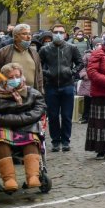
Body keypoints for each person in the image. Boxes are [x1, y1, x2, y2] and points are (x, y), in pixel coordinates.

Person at [0, 64, 46, 192]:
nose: (14, 79)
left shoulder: (33, 93)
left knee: (32, 139)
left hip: (26, 127)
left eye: (17, 76)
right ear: (4, 79)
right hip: (3, 128)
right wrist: (16, 120)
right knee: (0, 140)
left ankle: (33, 177)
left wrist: (15, 120)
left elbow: (38, 111)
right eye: (10, 77)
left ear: (21, 76)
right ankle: (9, 180)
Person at [39, 24, 83, 153]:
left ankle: (65, 141)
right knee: (52, 116)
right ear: (52, 33)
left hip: (67, 85)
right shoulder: (44, 49)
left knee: (66, 115)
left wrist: (72, 72)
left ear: (65, 34)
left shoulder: (72, 48)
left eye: (61, 32)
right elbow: (38, 66)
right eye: (56, 32)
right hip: (51, 86)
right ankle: (55, 141)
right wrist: (47, 73)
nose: (58, 34)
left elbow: (80, 63)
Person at [0, 23, 43, 92]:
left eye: (29, 34)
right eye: (24, 34)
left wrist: (40, 91)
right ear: (16, 36)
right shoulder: (5, 52)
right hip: (10, 94)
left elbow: (39, 75)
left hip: (31, 93)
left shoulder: (34, 53)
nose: (29, 37)